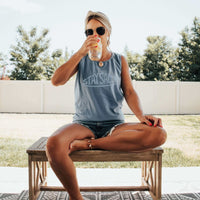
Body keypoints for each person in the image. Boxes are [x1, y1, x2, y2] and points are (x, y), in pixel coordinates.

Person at [46, 11, 167, 200]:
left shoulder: (119, 60)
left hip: (114, 126)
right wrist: (80, 52)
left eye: (99, 30)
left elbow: (129, 92)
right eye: (89, 32)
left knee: (159, 133)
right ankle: (76, 198)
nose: (95, 35)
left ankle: (88, 145)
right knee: (53, 144)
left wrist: (142, 117)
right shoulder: (80, 60)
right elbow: (56, 81)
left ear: (108, 32)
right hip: (83, 125)